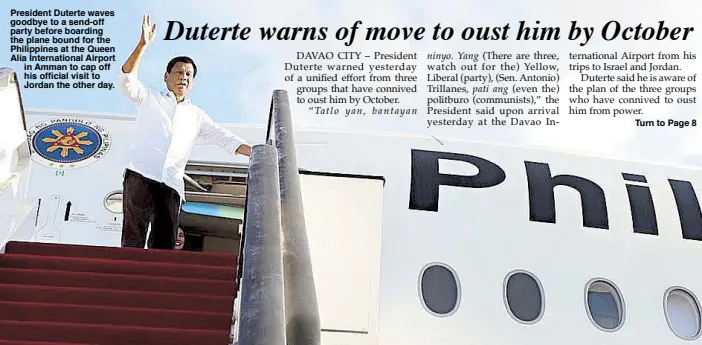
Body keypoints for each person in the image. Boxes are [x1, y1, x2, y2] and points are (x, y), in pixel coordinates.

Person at [117, 14, 252, 250]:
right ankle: (126, 279)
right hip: (141, 172)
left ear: (193, 83)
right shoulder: (150, 98)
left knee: (164, 242)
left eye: (188, 75)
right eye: (179, 72)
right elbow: (126, 79)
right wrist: (142, 45)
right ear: (166, 76)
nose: (184, 77)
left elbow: (224, 137)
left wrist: (256, 152)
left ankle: (155, 284)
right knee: (133, 237)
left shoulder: (196, 115)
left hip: (171, 182)